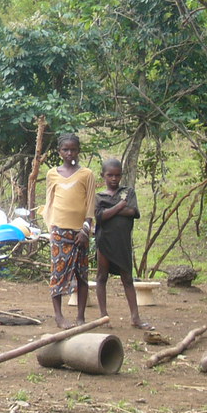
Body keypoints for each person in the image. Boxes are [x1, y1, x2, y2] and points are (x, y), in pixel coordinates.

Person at [42, 133, 96, 329]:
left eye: (73, 149)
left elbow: (90, 203)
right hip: (59, 230)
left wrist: (86, 228)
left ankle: (81, 316)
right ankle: (59, 316)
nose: (69, 153)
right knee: (57, 272)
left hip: (80, 232)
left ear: (78, 151)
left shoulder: (86, 174)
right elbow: (50, 201)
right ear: (59, 152)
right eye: (65, 149)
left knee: (82, 274)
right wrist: (51, 227)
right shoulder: (52, 174)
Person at [95, 158, 152, 330]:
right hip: (104, 241)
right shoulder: (99, 196)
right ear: (103, 176)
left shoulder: (128, 192)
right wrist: (119, 206)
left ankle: (135, 317)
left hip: (122, 242)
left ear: (121, 175)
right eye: (110, 175)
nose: (113, 179)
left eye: (117, 175)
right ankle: (103, 316)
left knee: (127, 279)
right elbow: (99, 217)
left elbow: (133, 212)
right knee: (101, 277)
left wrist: (110, 211)